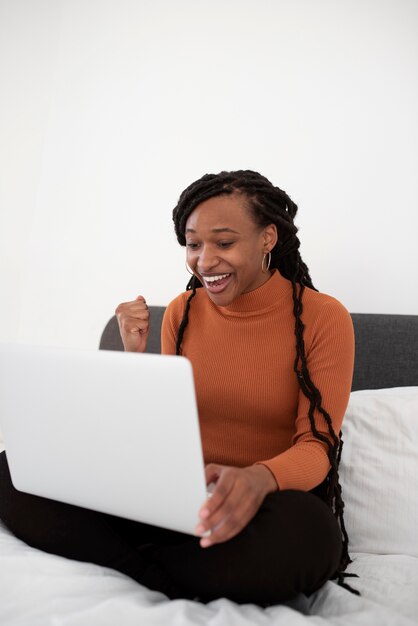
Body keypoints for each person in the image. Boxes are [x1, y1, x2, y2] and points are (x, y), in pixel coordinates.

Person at [0, 170, 356, 605]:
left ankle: (138, 565)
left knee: (311, 534)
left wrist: (260, 478)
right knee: (14, 470)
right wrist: (133, 358)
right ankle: (163, 575)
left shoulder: (322, 318)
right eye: (193, 244)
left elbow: (317, 445)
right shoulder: (181, 312)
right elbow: (163, 427)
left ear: (267, 238)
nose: (204, 262)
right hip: (174, 501)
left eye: (224, 243)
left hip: (259, 507)